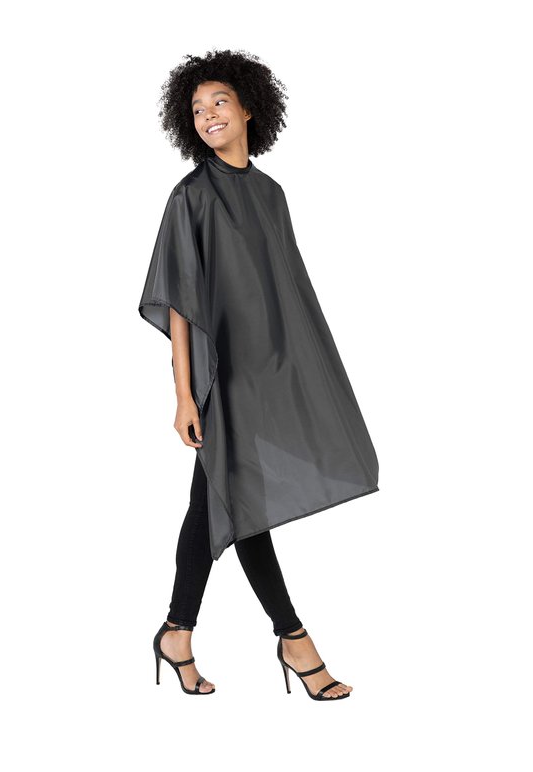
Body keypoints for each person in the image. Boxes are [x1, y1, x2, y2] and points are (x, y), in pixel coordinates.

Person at [140, 49, 379, 699]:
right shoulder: (191, 197)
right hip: (221, 378)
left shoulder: (271, 195)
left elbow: (285, 292)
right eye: (196, 109)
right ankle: (293, 639)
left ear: (249, 108)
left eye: (219, 101)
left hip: (266, 375)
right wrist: (184, 394)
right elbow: (180, 304)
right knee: (238, 504)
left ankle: (177, 633)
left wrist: (298, 374)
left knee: (220, 503)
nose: (208, 115)